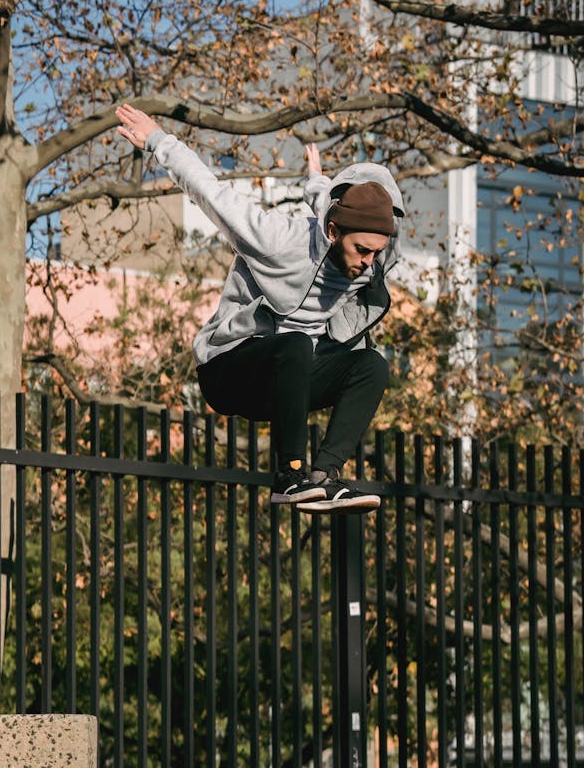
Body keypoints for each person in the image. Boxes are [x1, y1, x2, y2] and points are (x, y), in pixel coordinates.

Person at [116, 103, 405, 510]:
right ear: (333, 231)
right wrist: (158, 141)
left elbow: (324, 198)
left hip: (288, 384)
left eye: (375, 254)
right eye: (361, 251)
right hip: (230, 371)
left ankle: (324, 476)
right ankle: (289, 475)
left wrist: (317, 180)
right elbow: (211, 193)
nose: (366, 264)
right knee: (296, 344)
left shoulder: (367, 262)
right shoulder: (277, 239)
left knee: (372, 364)